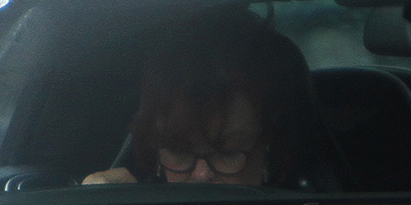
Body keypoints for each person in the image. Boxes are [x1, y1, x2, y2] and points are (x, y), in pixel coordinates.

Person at [82, 22, 319, 188]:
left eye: (227, 153)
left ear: (269, 150)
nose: (202, 175)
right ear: (155, 152)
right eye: (180, 151)